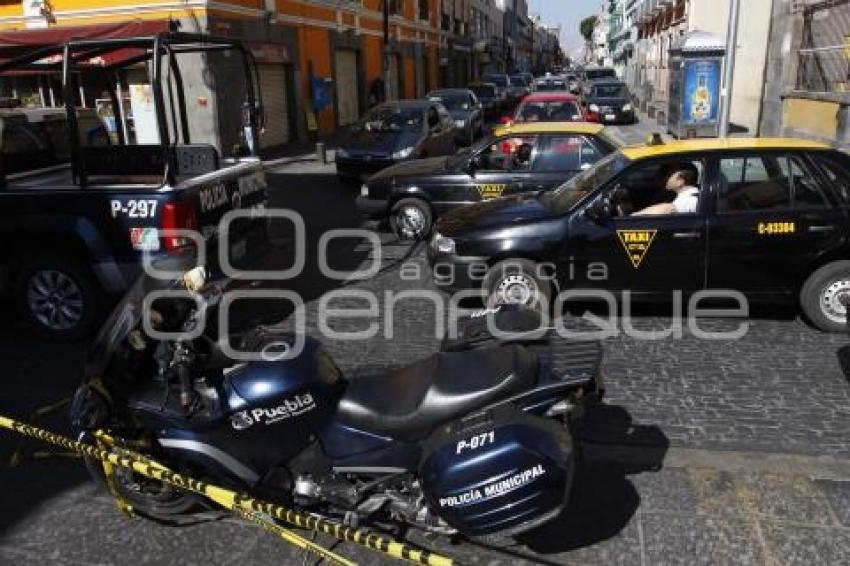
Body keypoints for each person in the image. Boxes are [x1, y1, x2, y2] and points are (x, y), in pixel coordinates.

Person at [633, 162, 700, 216]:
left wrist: (632, 217)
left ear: (680, 181)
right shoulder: (686, 194)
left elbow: (669, 209)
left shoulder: (690, 198)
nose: (664, 178)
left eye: (668, 175)